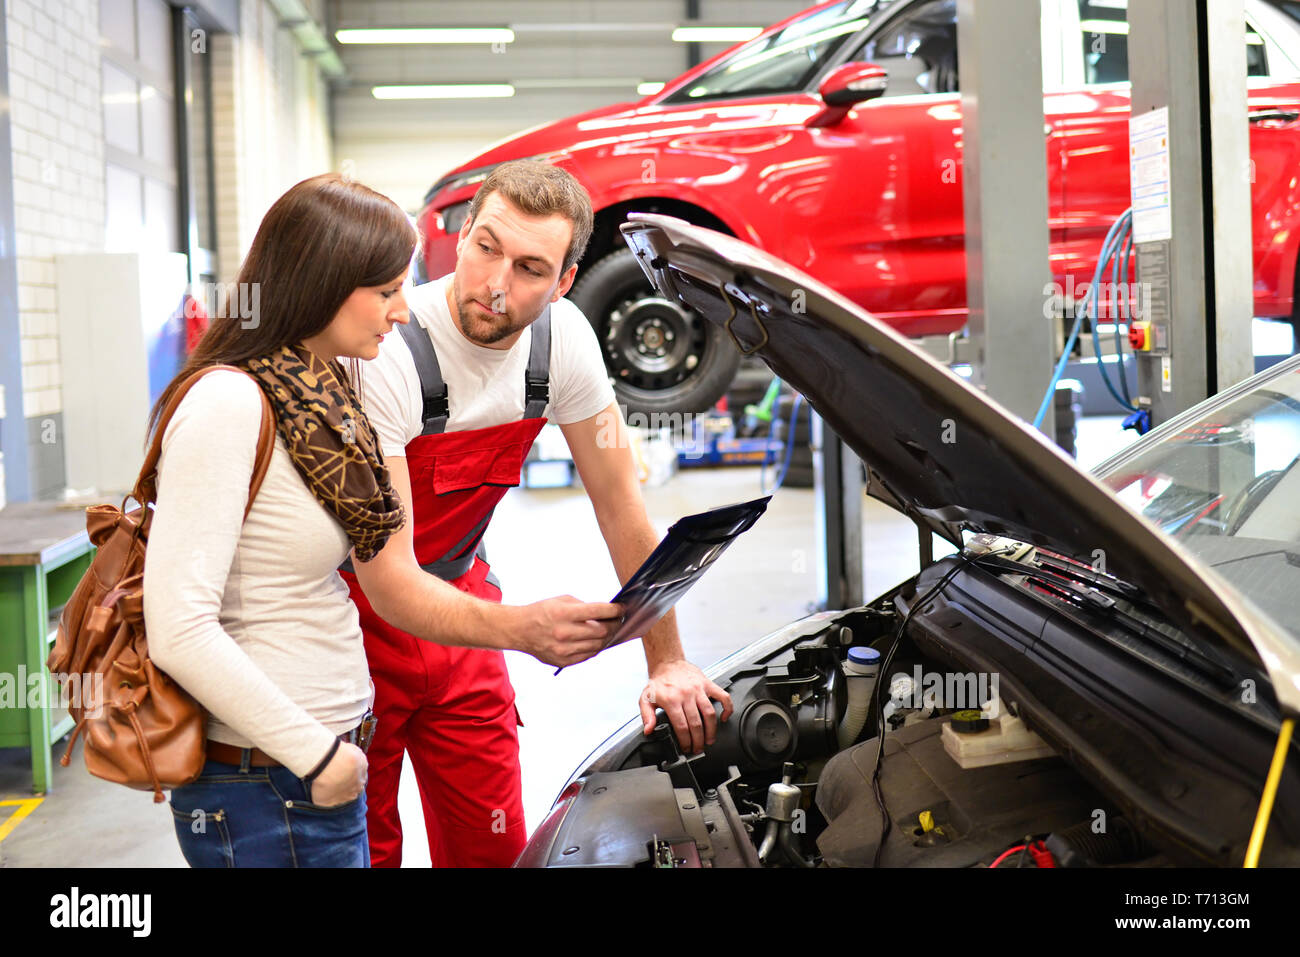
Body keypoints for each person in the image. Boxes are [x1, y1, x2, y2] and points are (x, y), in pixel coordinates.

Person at [142, 173, 621, 868]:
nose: (403, 312)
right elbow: (180, 626)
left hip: (318, 758)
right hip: (275, 774)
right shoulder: (227, 403)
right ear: (323, 283)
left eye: (403, 287)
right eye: (387, 291)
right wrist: (317, 755)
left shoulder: (314, 399)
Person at [340, 160, 734, 868]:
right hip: (354, 618)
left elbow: (622, 507)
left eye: (528, 267)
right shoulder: (389, 352)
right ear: (459, 239)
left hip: (463, 611)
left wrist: (667, 659)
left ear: (564, 282)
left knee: (493, 844)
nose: (496, 283)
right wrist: (522, 628)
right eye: (486, 247)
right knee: (363, 848)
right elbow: (389, 579)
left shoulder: (565, 344)